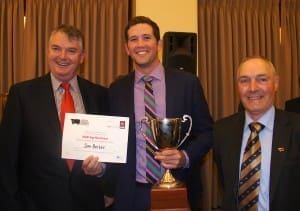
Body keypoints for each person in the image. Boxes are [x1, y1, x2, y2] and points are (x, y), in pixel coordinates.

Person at [0, 24, 113, 211]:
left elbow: (111, 152)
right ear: (47, 51)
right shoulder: (22, 94)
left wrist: (103, 172)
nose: (62, 56)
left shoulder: (100, 95)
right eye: (56, 48)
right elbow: (6, 159)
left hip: (88, 203)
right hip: (34, 204)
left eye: (71, 50)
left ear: (82, 57)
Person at [108, 16, 213, 211]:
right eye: (133, 39)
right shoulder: (116, 90)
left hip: (177, 188)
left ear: (159, 44)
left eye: (146, 37)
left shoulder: (187, 83)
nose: (140, 44)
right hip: (131, 194)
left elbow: (207, 132)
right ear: (126, 48)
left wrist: (185, 157)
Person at [213, 56, 300, 211]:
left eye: (262, 79)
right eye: (244, 80)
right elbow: (226, 186)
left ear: (276, 83)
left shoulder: (296, 128)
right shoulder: (222, 131)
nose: (252, 88)